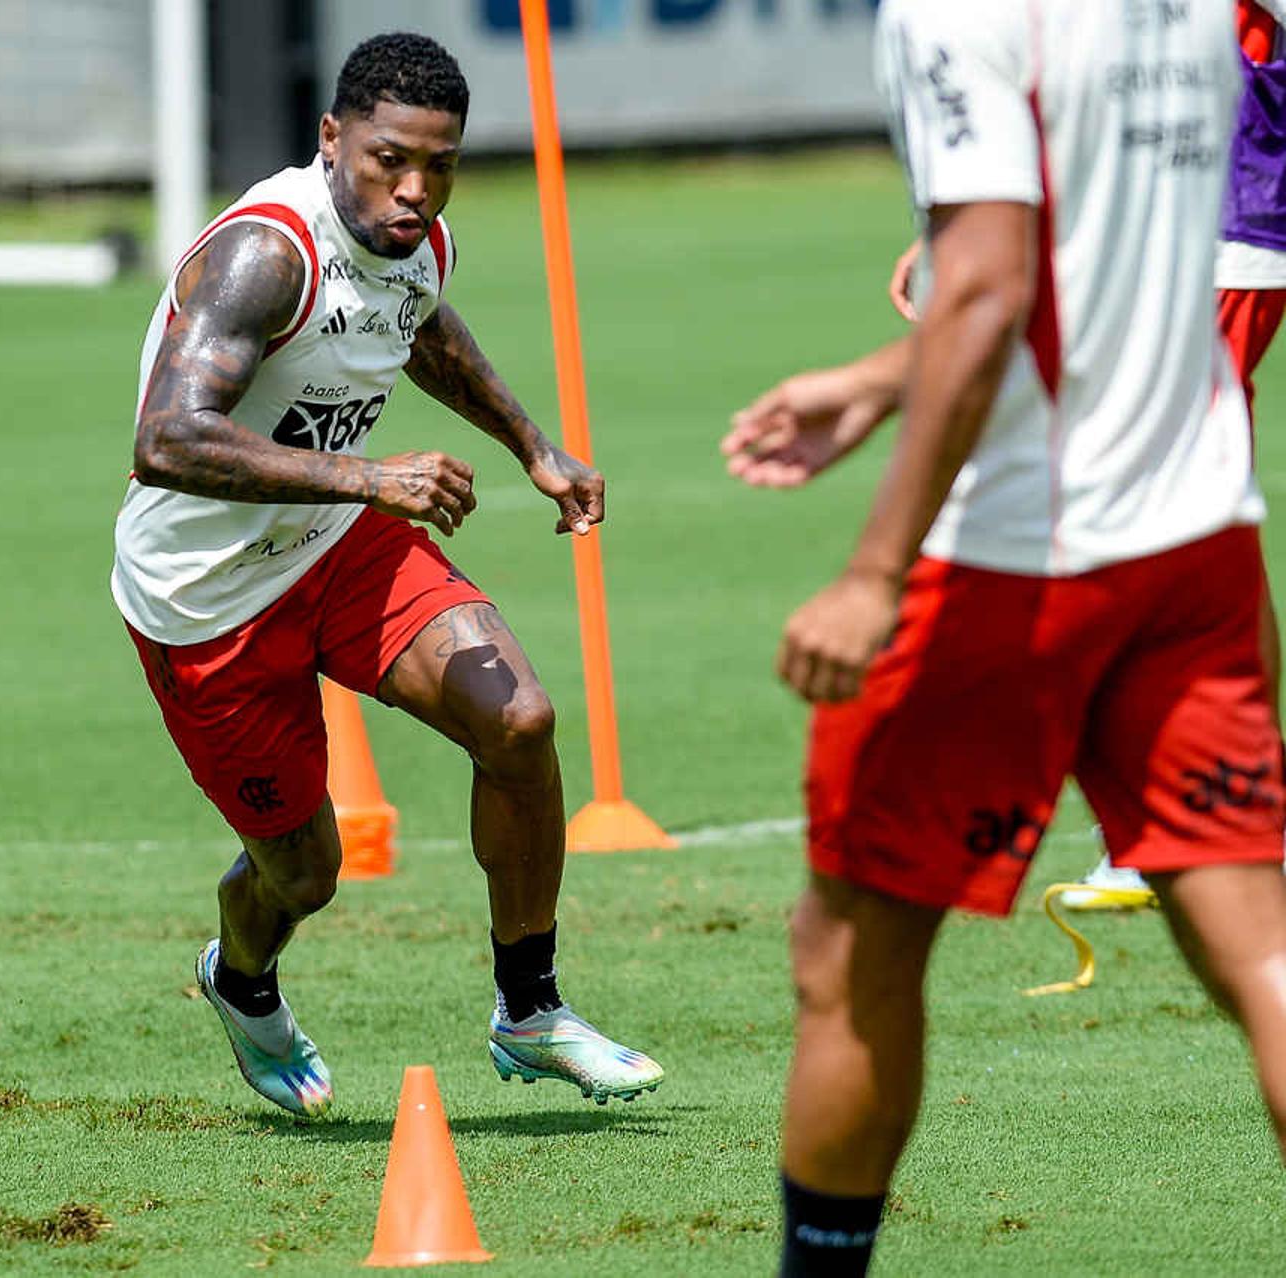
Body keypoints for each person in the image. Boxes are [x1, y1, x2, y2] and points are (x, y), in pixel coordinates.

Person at [721, 2, 1286, 1272]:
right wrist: (878, 380)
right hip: (1197, 535)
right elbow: (1090, 260)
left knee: (851, 947)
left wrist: (873, 572)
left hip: (1014, 557)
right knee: (1265, 951)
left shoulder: (956, 10)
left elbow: (988, 288)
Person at [111, 32, 663, 1119]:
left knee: (521, 724)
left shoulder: (415, 239)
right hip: (204, 600)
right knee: (306, 874)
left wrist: (532, 447)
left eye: (441, 164)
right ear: (331, 139)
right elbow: (167, 439)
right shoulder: (265, 254)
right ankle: (244, 982)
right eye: (388, 160)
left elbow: (416, 325)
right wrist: (371, 473)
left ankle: (531, 1011)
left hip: (335, 543)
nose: (415, 191)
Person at [1064, 0, 1286, 908]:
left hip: (1231, 224)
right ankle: (1220, 802)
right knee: (1187, 493)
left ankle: (1207, 807)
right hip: (1170, 223)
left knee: (1174, 498)